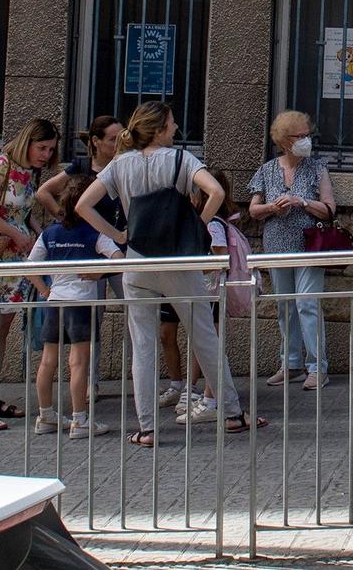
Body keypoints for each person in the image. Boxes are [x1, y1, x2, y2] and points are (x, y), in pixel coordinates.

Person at [77, 101, 258, 445]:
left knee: (142, 345)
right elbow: (216, 191)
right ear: (160, 129)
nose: (176, 128)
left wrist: (118, 235)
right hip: (177, 259)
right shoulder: (181, 159)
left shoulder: (120, 163)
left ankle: (146, 428)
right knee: (204, 336)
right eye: (172, 123)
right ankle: (232, 413)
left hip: (138, 260)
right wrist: (197, 226)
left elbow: (82, 204)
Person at [0, 118, 61, 432]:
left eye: (50, 149)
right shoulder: (0, 164)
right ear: (28, 142)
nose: (46, 154)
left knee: (2, 330)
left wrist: (37, 235)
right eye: (42, 147)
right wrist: (15, 234)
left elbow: (24, 212)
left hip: (15, 259)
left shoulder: (28, 174)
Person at [248, 110, 338, 392]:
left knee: (307, 303)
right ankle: (291, 363)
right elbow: (253, 210)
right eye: (300, 136)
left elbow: (329, 209)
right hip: (277, 246)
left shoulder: (317, 168)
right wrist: (272, 208)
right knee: (286, 306)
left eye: (308, 134)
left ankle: (317, 367)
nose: (306, 140)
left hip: (309, 246)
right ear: (285, 140)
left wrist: (302, 201)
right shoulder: (267, 170)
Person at [29, 178, 117, 440]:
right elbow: (119, 259)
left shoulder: (50, 233)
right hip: (82, 302)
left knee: (48, 360)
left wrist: (45, 292)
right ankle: (79, 420)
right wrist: (99, 274)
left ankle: (46, 415)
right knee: (78, 363)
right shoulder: (95, 233)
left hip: (55, 301)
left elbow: (30, 266)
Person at [183, 170, 243, 414]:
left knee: (212, 345)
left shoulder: (213, 224)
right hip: (207, 292)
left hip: (213, 292)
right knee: (204, 343)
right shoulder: (209, 221)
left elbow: (220, 258)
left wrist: (193, 264)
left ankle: (211, 398)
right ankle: (203, 394)